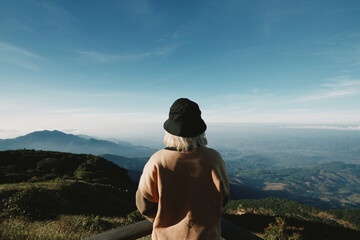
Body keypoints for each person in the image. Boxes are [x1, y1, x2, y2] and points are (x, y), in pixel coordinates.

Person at [136, 98, 230, 240]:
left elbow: (144, 205)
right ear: (199, 131)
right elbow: (223, 198)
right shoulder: (214, 158)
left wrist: (164, 218)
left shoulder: (158, 161)